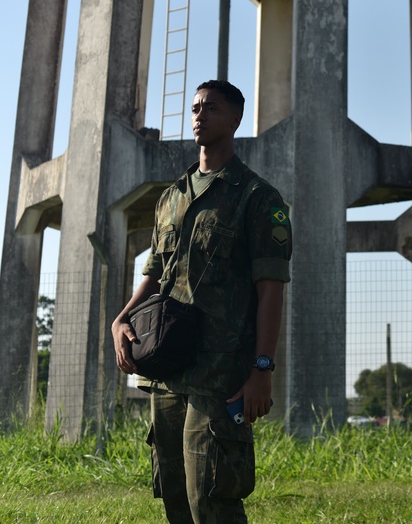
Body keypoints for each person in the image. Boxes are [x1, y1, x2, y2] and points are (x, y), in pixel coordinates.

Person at [111, 80, 293, 523]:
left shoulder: (258, 198)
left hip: (220, 376)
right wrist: (121, 319)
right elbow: (155, 273)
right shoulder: (172, 197)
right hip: (167, 367)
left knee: (210, 499)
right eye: (195, 108)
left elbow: (271, 288)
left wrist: (262, 370)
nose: (199, 115)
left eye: (211, 108)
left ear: (234, 119)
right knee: (175, 497)